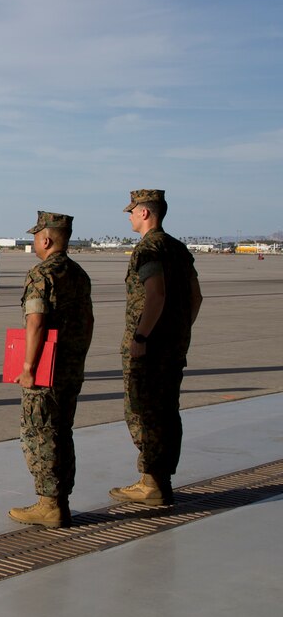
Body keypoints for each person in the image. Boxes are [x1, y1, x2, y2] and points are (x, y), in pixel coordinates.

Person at [110, 189, 202, 506]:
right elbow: (196, 297)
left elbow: (156, 294)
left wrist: (142, 337)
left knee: (141, 411)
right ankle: (160, 480)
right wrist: (178, 331)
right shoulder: (178, 249)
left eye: (132, 211)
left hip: (148, 349)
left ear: (145, 213)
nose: (130, 216)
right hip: (173, 347)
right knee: (166, 411)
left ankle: (151, 481)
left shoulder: (149, 249)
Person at [10, 212, 94, 528]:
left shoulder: (42, 274)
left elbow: (36, 321)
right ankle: (60, 501)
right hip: (71, 367)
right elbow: (89, 322)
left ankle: (49, 505)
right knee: (62, 432)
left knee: (39, 432)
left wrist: (29, 367)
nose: (34, 242)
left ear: (45, 239)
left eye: (36, 236)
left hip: (46, 370)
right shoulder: (78, 274)